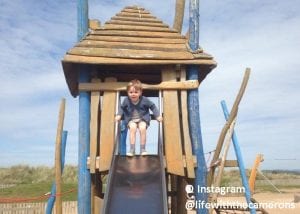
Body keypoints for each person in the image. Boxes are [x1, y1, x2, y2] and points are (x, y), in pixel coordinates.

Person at [115, 79, 163, 156]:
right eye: (131, 92)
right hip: (131, 120)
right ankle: (132, 149)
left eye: (136, 92)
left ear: (140, 92)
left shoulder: (144, 100)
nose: (133, 94)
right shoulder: (126, 100)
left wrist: (157, 116)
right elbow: (122, 108)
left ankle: (143, 149)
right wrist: (119, 115)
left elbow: (152, 106)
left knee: (142, 128)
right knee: (133, 128)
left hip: (143, 119)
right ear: (127, 92)